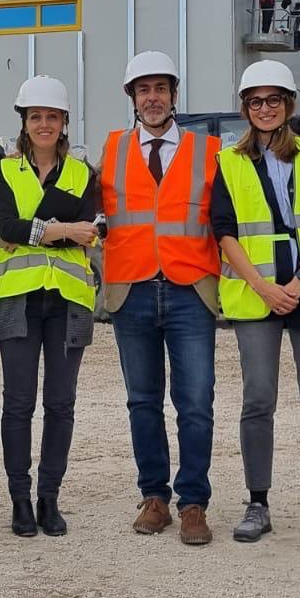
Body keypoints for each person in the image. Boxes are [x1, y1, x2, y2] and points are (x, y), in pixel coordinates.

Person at [214, 61, 300, 549]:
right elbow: (224, 230)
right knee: (257, 400)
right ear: (246, 109)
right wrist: (263, 286)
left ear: (288, 105)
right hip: (256, 294)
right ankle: (258, 502)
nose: (265, 109)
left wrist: (297, 282)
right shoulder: (229, 161)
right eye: (256, 101)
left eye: (274, 100)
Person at [100, 52, 221, 546]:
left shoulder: (208, 150)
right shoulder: (109, 151)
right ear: (131, 97)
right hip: (131, 291)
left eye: (161, 88)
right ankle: (154, 496)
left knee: (195, 403)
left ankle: (193, 503)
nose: (153, 98)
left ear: (174, 95)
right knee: (142, 402)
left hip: (191, 289)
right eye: (143, 89)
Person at [0, 75, 100, 537]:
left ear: (63, 123)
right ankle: (19, 498)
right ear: (24, 122)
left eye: (51, 117)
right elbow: (7, 227)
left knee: (61, 404)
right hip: (18, 299)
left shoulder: (83, 173)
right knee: (18, 404)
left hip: (69, 301)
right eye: (35, 116)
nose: (43, 124)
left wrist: (40, 228)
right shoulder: (5, 171)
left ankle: (48, 497)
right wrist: (62, 230)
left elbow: (92, 229)